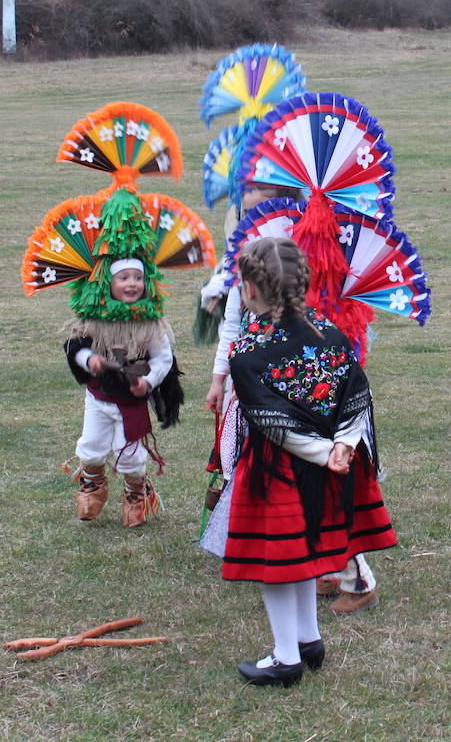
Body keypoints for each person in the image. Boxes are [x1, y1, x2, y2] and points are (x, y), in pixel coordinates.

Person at [219, 237, 397, 687]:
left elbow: (269, 419)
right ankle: (308, 640)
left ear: (251, 290)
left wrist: (325, 451)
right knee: (301, 555)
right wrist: (343, 445)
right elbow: (357, 391)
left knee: (277, 564)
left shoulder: (247, 350)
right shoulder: (328, 331)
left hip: (279, 472)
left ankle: (285, 658)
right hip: (331, 463)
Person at [201, 184, 385, 617]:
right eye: (248, 214)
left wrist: (336, 445)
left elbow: (352, 391)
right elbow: (231, 330)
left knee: (322, 500)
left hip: (311, 424)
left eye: (262, 209)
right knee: (310, 502)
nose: (254, 219)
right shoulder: (250, 323)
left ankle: (356, 578)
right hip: (288, 416)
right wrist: (219, 380)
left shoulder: (306, 280)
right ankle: (321, 570)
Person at [64, 257, 183, 527]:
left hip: (131, 400)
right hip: (99, 395)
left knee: (129, 454)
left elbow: (163, 359)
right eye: (124, 277)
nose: (132, 283)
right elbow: (76, 345)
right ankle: (93, 486)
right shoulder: (94, 316)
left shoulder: (150, 322)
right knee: (91, 446)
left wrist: (149, 382)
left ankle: (135, 494)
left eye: (138, 278)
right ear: (109, 282)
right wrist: (89, 360)